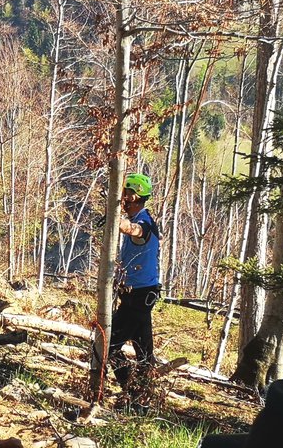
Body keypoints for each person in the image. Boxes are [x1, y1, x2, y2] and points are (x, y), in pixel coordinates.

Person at [108, 173, 160, 409]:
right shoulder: (140, 218)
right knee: (144, 352)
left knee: (109, 347)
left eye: (125, 193)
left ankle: (133, 393)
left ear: (135, 195)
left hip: (139, 297)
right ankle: (140, 398)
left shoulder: (144, 222)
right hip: (136, 295)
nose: (122, 198)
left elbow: (135, 231)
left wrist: (118, 220)